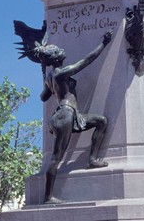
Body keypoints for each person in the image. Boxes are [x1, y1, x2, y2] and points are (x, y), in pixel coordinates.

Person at [37, 30, 113, 203]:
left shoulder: (51, 76)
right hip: (65, 114)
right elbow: (85, 61)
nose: (62, 50)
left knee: (101, 121)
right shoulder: (60, 73)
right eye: (58, 51)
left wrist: (46, 80)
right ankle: (48, 197)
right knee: (56, 157)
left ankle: (92, 160)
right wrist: (104, 43)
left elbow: (43, 97)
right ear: (56, 58)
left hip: (66, 114)